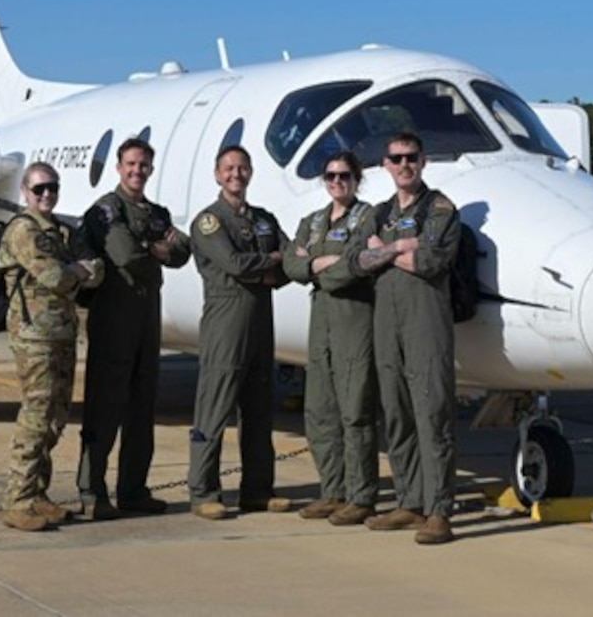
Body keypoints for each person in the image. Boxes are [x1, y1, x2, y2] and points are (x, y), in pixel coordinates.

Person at [350, 132, 461, 545]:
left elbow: (432, 260)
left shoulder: (440, 209)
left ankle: (439, 509)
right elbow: (361, 259)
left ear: (423, 161)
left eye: (410, 157)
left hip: (425, 321)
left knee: (432, 412)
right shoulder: (378, 212)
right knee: (395, 412)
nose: (403, 165)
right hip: (386, 321)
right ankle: (409, 500)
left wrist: (387, 250)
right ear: (385, 165)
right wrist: (403, 247)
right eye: (396, 159)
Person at [76, 138, 191, 520]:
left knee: (142, 407)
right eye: (130, 164)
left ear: (150, 170)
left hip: (145, 317)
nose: (136, 171)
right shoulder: (106, 211)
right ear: (119, 167)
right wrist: (157, 247)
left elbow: (182, 252)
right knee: (105, 406)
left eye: (143, 165)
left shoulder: (157, 212)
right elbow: (125, 254)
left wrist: (157, 248)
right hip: (114, 316)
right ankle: (92, 492)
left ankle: (133, 490)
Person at [188, 144, 291, 519]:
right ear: (217, 175)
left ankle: (258, 490)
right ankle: (203, 492)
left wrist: (267, 268)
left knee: (259, 412)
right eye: (229, 168)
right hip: (225, 325)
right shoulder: (209, 222)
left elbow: (290, 262)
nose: (236, 174)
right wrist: (269, 265)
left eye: (242, 168)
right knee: (214, 410)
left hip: (261, 325)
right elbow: (233, 263)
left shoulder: (264, 219)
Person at [0, 162, 103, 532]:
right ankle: (17, 499)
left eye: (52, 188)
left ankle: (36, 493)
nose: (46, 195)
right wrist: (78, 271)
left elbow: (94, 271)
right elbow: (57, 276)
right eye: (39, 189)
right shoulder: (25, 231)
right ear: (25, 192)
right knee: (37, 414)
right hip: (35, 338)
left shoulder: (56, 232)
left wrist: (79, 271)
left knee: (56, 417)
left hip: (60, 333)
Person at [283, 151, 380, 527]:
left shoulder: (368, 215)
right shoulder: (314, 220)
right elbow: (292, 264)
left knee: (355, 410)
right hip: (321, 320)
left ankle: (361, 496)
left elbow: (355, 264)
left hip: (354, 318)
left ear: (357, 179)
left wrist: (317, 266)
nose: (337, 182)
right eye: (330, 176)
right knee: (320, 410)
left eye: (344, 176)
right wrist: (319, 264)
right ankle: (332, 490)